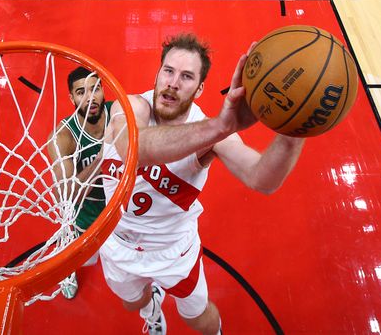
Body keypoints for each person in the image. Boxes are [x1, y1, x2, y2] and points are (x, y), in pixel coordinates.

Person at [99, 34, 306, 335]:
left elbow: (262, 178)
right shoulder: (130, 107)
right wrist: (219, 126)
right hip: (117, 242)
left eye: (186, 77)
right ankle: (152, 309)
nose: (172, 82)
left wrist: (294, 129)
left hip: (173, 251)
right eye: (168, 71)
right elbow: (138, 148)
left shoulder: (211, 132)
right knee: (132, 303)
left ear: (199, 88)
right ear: (157, 73)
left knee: (197, 318)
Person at [48, 67, 112, 299]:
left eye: (95, 89)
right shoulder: (64, 136)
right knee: (75, 252)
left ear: (103, 91)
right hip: (87, 213)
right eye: (81, 92)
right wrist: (102, 158)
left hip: (122, 204)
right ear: (71, 98)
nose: (90, 97)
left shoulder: (120, 114)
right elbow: (65, 195)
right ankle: (68, 272)